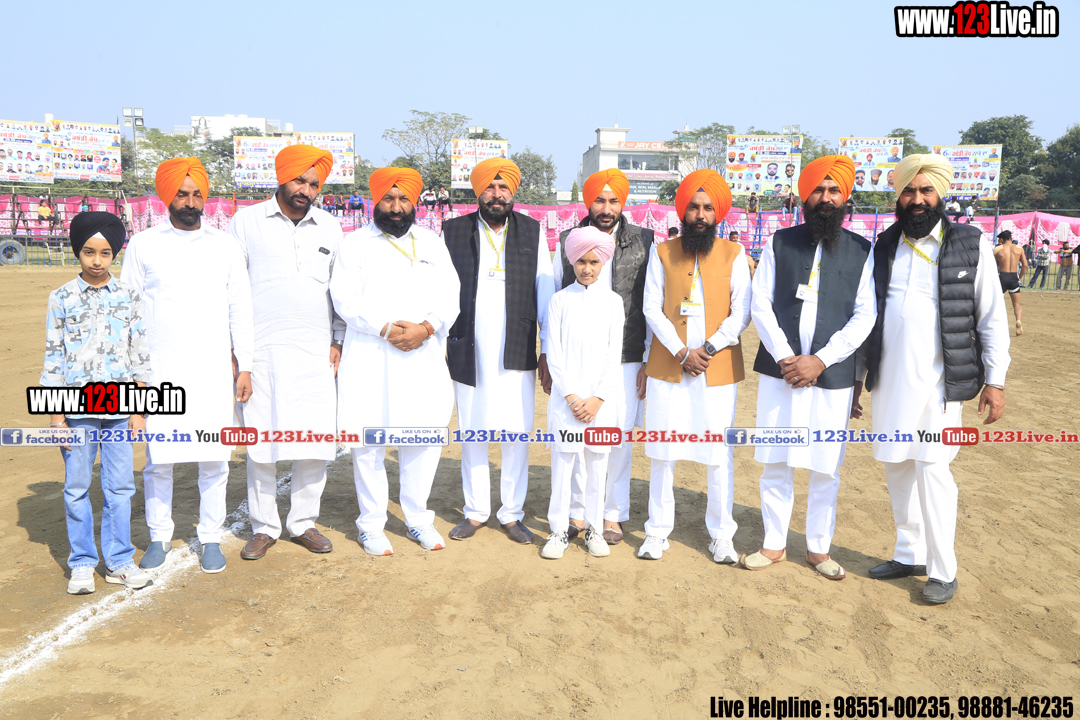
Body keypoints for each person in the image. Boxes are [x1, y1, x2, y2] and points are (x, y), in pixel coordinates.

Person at [857, 154, 1010, 604]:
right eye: (909, 190)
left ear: (940, 194)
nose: (917, 199)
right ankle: (910, 553)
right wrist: (859, 380)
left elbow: (991, 317)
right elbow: (868, 318)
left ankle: (943, 569)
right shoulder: (885, 245)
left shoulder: (969, 243)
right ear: (898, 195)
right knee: (897, 466)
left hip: (940, 385)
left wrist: (996, 380)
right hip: (890, 380)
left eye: (926, 190)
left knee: (932, 469)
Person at [743, 155, 876, 580]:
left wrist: (820, 360)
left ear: (845, 197)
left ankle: (819, 548)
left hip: (831, 376)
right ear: (805, 196)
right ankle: (774, 543)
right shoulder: (780, 242)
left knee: (825, 466)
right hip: (781, 374)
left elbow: (866, 315)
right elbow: (760, 303)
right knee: (776, 461)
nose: (826, 197)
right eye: (818, 189)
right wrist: (787, 358)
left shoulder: (862, 251)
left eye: (834, 190)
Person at [121, 158, 254, 574]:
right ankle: (159, 535)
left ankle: (211, 536)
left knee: (214, 458)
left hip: (212, 370)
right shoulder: (143, 244)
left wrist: (245, 365)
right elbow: (128, 312)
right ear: (167, 197)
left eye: (197, 194)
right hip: (159, 370)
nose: (191, 202)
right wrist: (135, 377)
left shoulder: (225, 246)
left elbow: (241, 309)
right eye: (182, 193)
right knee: (159, 460)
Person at [331, 167, 461, 556]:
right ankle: (371, 524)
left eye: (404, 198)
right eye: (389, 198)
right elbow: (344, 298)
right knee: (369, 441)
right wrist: (386, 328)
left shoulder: (431, 243)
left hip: (422, 356)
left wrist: (426, 328)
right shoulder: (355, 244)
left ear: (415, 202)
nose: (396, 206)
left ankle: (418, 518)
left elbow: (451, 294)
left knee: (421, 436)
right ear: (376, 201)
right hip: (371, 355)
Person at [227, 144, 343, 561]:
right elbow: (233, 291)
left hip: (316, 352)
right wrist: (240, 353)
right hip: (262, 351)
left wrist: (338, 339)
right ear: (281, 178)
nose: (305, 190)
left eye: (313, 184)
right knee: (261, 441)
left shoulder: (330, 227)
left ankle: (303, 522)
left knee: (314, 440)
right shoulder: (246, 223)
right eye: (299, 180)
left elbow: (339, 291)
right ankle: (263, 527)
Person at [639, 170, 752, 561]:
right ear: (682, 212)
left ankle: (722, 536)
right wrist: (681, 351)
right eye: (693, 207)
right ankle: (656, 532)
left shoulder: (734, 254)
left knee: (718, 453)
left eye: (707, 208)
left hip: (716, 368)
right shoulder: (662, 252)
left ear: (718, 213)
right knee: (662, 450)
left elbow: (741, 312)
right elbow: (651, 307)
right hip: (670, 367)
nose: (700, 215)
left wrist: (708, 347)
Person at [442, 158, 554, 544]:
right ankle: (475, 512)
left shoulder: (532, 232)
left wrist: (546, 349)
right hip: (467, 346)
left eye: (503, 187)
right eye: (490, 187)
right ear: (478, 191)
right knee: (472, 430)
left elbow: (545, 292)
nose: (496, 194)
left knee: (516, 432)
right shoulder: (453, 231)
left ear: (513, 192)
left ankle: (511, 513)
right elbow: (441, 291)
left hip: (516, 347)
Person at [42, 212, 153, 594]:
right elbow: (54, 358)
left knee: (120, 488)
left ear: (114, 254)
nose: (96, 261)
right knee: (76, 487)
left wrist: (139, 409)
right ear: (78, 251)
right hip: (77, 412)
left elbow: (140, 354)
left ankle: (119, 561)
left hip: (120, 411)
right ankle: (82, 563)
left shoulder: (129, 296)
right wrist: (56, 417)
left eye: (105, 253)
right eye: (89, 252)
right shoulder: (61, 298)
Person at [551, 169, 651, 545]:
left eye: (613, 201)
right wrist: (547, 355)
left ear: (622, 203)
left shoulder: (644, 240)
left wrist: (648, 357)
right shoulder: (568, 241)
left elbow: (650, 300)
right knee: (578, 436)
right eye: (599, 200)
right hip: (576, 356)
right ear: (587, 202)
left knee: (617, 435)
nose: (606, 208)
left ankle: (612, 514)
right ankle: (578, 512)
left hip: (625, 353)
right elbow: (552, 292)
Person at [542, 226, 625, 559]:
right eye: (581, 261)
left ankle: (594, 529)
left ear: (603, 262)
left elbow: (614, 356)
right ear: (571, 261)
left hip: (601, 404)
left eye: (593, 262)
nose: (587, 268)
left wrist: (598, 398)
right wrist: (573, 398)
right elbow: (554, 354)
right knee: (563, 467)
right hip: (567, 403)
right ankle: (558, 530)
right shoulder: (559, 300)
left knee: (597, 467)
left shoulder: (614, 302)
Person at [993, 230, 1027, 335]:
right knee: (1016, 304)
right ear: (1011, 238)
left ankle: (996, 325)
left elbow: (993, 266)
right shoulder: (1019, 249)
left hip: (1002, 276)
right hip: (1013, 276)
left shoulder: (998, 249)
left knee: (996, 303)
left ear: (1001, 239)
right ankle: (1018, 321)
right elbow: (1025, 265)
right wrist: (1019, 277)